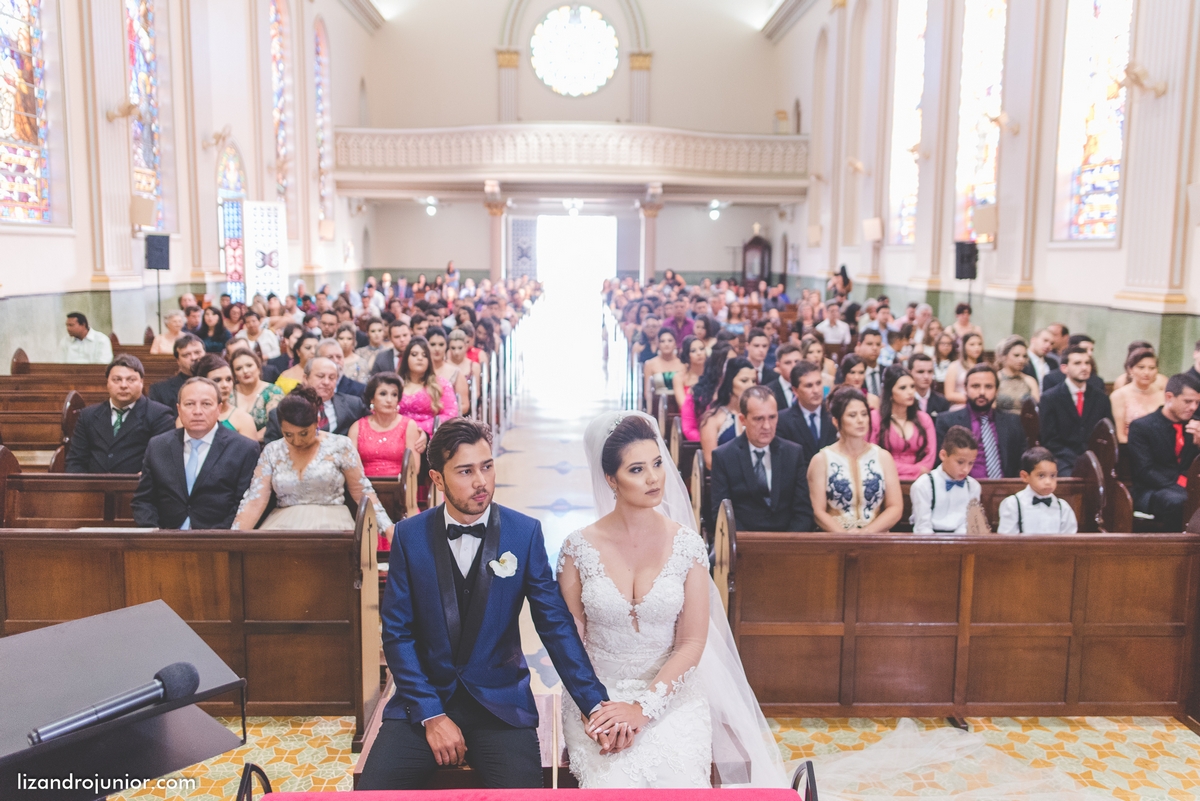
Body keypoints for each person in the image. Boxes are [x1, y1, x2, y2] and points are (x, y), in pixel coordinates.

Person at [358, 419, 618, 790]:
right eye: (465, 471)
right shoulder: (408, 536)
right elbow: (398, 634)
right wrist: (432, 714)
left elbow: (555, 626)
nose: (481, 481)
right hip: (425, 702)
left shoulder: (522, 533)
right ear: (436, 478)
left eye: (487, 466)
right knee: (373, 792)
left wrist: (594, 703)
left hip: (500, 707)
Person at [555, 412, 785, 788]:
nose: (654, 478)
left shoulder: (687, 546)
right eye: (637, 469)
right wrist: (591, 707)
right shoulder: (577, 548)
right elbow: (571, 641)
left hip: (670, 695)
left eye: (658, 463)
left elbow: (692, 642)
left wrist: (643, 709)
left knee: (678, 782)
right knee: (612, 787)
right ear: (611, 479)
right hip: (598, 693)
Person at [131, 377, 260, 529]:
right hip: (165, 540)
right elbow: (143, 500)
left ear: (219, 409)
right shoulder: (158, 446)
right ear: (179, 409)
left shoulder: (244, 448)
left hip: (220, 541)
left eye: (206, 404)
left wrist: (217, 538)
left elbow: (244, 504)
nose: (197, 411)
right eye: (189, 404)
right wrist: (156, 534)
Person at [710, 386, 815, 532]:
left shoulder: (793, 453)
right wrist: (747, 544)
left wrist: (788, 545)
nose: (767, 426)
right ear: (743, 419)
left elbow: (803, 511)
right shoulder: (724, 456)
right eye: (759, 419)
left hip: (787, 542)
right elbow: (720, 514)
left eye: (772, 417)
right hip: (742, 544)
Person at [808, 387, 903, 532]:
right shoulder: (821, 460)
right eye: (852, 415)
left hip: (876, 537)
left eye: (864, 414)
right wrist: (845, 537)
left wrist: (865, 534)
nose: (860, 420)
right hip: (835, 539)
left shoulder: (883, 457)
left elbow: (895, 507)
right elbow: (818, 512)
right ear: (836, 421)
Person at [66, 355, 175, 474]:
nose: (123, 385)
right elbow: (76, 460)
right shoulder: (88, 415)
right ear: (107, 383)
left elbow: (162, 460)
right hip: (93, 488)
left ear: (141, 382)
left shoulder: (159, 415)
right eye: (117, 379)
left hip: (139, 488)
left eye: (131, 380)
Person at [1127, 373, 1200, 532]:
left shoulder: (1196, 425)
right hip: (1152, 490)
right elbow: (1145, 471)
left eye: (1197, 402)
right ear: (1169, 397)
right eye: (1188, 401)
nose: (1193, 407)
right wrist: (1183, 487)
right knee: (1181, 500)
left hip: (1187, 487)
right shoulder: (1142, 427)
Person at [935, 364, 1025, 479]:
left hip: (1005, 488)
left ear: (997, 390)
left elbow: (1021, 463)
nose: (982, 392)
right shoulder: (947, 421)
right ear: (966, 388)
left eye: (988, 387)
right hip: (961, 489)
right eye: (975, 386)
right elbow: (940, 463)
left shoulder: (1013, 422)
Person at [1038, 346, 1113, 476]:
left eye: (1087, 363)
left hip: (1095, 458)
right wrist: (1078, 460)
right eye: (1077, 363)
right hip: (1062, 459)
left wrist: (1092, 459)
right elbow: (1049, 439)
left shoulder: (1101, 397)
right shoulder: (1050, 398)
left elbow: (1107, 433)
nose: (1084, 367)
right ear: (1064, 368)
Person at [350, 372, 427, 475]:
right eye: (383, 394)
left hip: (401, 488)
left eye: (394, 394)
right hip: (364, 488)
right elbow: (350, 468)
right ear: (372, 399)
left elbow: (413, 470)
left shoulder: (409, 426)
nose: (389, 400)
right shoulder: (357, 427)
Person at [908, 426, 982, 534]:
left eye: (971, 463)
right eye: (960, 462)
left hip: (962, 542)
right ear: (943, 455)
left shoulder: (973, 487)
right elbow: (922, 527)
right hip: (928, 542)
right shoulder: (923, 485)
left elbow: (967, 524)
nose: (966, 469)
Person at [869, 365, 936, 481]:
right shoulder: (875, 418)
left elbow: (930, 457)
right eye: (903, 388)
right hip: (884, 479)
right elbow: (872, 456)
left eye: (912, 386)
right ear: (890, 393)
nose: (910, 392)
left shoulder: (924, 419)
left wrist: (919, 472)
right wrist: (916, 471)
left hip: (920, 482)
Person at [996, 446, 1078, 534]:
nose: (1048, 482)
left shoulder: (1063, 508)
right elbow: (1006, 541)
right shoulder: (1013, 504)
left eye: (1052, 476)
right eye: (1041, 475)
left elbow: (1070, 542)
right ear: (1025, 476)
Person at [776, 361, 838, 471]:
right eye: (809, 386)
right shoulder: (783, 421)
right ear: (795, 390)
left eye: (818, 383)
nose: (816, 390)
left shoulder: (835, 414)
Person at [699, 357, 756, 469]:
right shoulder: (713, 418)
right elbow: (711, 462)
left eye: (753, 381)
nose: (751, 386)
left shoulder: (758, 415)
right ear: (730, 382)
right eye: (744, 381)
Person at [399, 337, 459, 438]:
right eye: (414, 354)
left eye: (425, 355)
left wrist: (418, 428)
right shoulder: (395, 384)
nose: (420, 358)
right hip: (398, 436)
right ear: (406, 359)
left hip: (431, 437)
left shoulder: (441, 384)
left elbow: (450, 415)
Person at [1111, 347, 1164, 443]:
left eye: (1151, 368)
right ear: (1130, 370)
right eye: (1141, 367)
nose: (1146, 372)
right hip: (1129, 449)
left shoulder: (1162, 395)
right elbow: (1120, 436)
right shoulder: (1119, 396)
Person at [681, 342, 731, 442]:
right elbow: (689, 429)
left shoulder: (741, 393)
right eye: (729, 363)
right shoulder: (696, 393)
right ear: (718, 365)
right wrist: (709, 441)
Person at [230, 349, 283, 441]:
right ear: (234, 374)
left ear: (258, 367)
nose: (245, 371)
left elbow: (274, 425)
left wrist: (248, 442)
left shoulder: (273, 391)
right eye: (238, 368)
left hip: (264, 445)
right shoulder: (229, 393)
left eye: (249, 365)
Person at [149, 333, 206, 407]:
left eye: (197, 352)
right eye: (186, 355)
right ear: (178, 361)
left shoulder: (217, 382)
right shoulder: (160, 390)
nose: (193, 357)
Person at [994, 335, 1040, 415]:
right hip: (1000, 423)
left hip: (1025, 424)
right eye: (1016, 355)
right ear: (1004, 356)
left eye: (1024, 356)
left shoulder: (1030, 381)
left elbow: (1036, 409)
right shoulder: (996, 378)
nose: (1021, 360)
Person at [643, 328, 686, 410]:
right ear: (658, 344)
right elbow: (647, 393)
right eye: (662, 341)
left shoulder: (683, 364)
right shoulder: (650, 364)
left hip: (680, 405)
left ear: (675, 343)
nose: (666, 344)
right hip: (656, 406)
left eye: (670, 341)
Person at [943, 332, 983, 410]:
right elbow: (949, 394)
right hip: (960, 407)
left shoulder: (984, 366)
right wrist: (973, 399)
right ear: (964, 347)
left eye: (979, 344)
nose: (977, 347)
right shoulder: (954, 366)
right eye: (972, 344)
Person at [907, 353, 951, 423]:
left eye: (930, 372)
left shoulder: (942, 402)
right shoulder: (904, 402)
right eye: (920, 372)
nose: (926, 376)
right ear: (909, 373)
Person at [671, 335, 708, 415]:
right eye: (693, 351)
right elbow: (683, 405)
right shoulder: (679, 377)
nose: (699, 353)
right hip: (688, 418)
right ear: (686, 354)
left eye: (702, 349)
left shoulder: (712, 374)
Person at [766, 343, 802, 411]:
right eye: (788, 363)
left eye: (797, 362)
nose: (793, 366)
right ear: (778, 366)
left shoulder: (810, 387)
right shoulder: (768, 391)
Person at [855, 329, 884, 397]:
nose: (875, 348)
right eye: (869, 344)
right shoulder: (852, 372)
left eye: (878, 344)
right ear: (859, 345)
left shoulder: (886, 372)